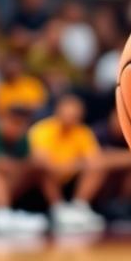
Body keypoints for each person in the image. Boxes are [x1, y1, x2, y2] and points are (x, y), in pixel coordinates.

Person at [27, 93, 106, 233]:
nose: (71, 117)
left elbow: (94, 159)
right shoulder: (42, 129)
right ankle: (58, 209)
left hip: (71, 177)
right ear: (58, 111)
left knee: (98, 167)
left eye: (75, 114)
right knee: (41, 168)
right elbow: (40, 158)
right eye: (68, 113)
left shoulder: (83, 132)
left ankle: (80, 207)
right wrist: (67, 165)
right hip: (46, 178)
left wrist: (72, 166)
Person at [0, 105, 49, 235]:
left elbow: (34, 161)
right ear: (4, 121)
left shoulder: (23, 139)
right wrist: (25, 165)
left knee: (40, 168)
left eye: (21, 125)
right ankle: (3, 214)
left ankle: (60, 210)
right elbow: (0, 164)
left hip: (12, 185)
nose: (17, 128)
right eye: (14, 123)